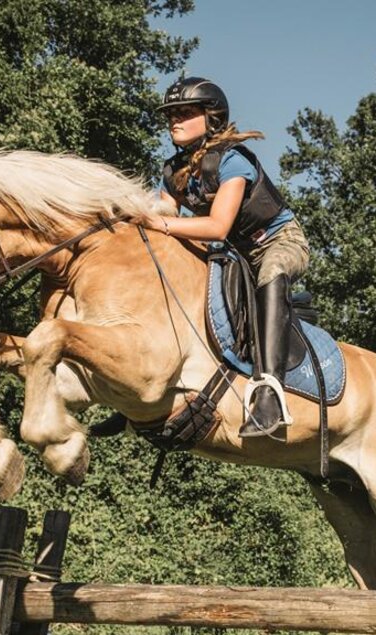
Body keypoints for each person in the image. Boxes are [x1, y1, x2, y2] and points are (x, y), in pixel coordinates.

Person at [95, 76, 309, 439]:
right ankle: (135, 390)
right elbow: (162, 215)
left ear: (211, 118)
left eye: (184, 112)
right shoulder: (173, 170)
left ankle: (270, 392)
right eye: (171, 115)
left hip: (275, 242)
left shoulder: (232, 162)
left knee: (271, 271)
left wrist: (158, 221)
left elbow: (217, 227)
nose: (174, 120)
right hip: (232, 251)